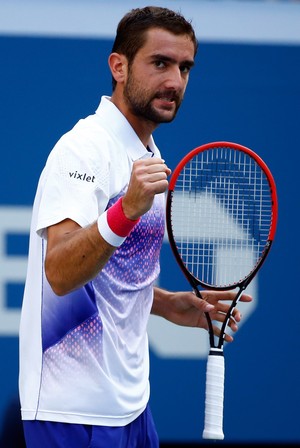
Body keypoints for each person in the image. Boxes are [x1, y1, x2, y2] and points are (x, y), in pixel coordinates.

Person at [19, 6, 252, 448]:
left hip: (132, 408)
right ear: (119, 66)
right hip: (71, 413)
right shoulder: (83, 150)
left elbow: (105, 277)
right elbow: (60, 273)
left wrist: (162, 303)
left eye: (185, 68)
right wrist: (125, 210)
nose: (175, 82)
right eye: (160, 63)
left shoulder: (147, 155)